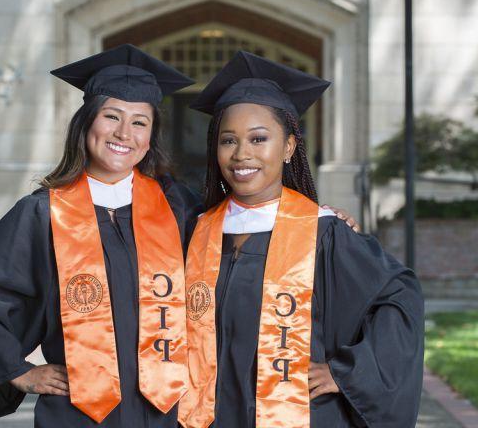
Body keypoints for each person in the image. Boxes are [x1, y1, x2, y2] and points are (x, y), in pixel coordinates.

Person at [0, 44, 202, 427]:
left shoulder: (177, 207)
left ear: (151, 137)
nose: (124, 132)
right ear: (86, 123)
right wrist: (18, 371)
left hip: (170, 410)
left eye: (139, 122)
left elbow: (238, 250)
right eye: (111, 116)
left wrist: (316, 220)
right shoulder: (44, 212)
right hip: (80, 411)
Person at [178, 51, 425, 428]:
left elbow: (398, 296)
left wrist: (346, 373)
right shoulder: (196, 231)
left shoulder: (322, 232)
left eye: (259, 138)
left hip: (298, 415)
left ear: (289, 147)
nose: (242, 153)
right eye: (229, 140)